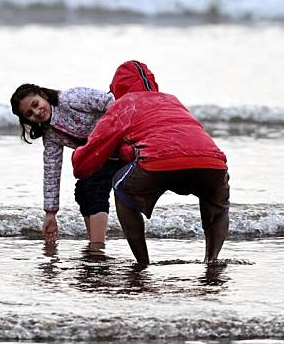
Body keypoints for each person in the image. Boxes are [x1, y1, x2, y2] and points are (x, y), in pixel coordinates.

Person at [72, 61, 229, 266]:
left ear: (117, 88)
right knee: (218, 203)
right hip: (212, 162)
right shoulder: (172, 100)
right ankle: (212, 260)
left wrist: (78, 157)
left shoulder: (124, 103)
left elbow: (92, 152)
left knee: (121, 187)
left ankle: (142, 262)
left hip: (157, 162)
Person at [10, 64, 158, 249]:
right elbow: (51, 171)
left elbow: (111, 102)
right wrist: (50, 213)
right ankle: (93, 242)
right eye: (29, 114)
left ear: (44, 95)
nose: (37, 112)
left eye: (35, 104)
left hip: (122, 143)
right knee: (81, 192)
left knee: (96, 186)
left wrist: (113, 133)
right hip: (99, 156)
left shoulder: (71, 98)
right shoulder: (51, 135)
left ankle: (97, 246)